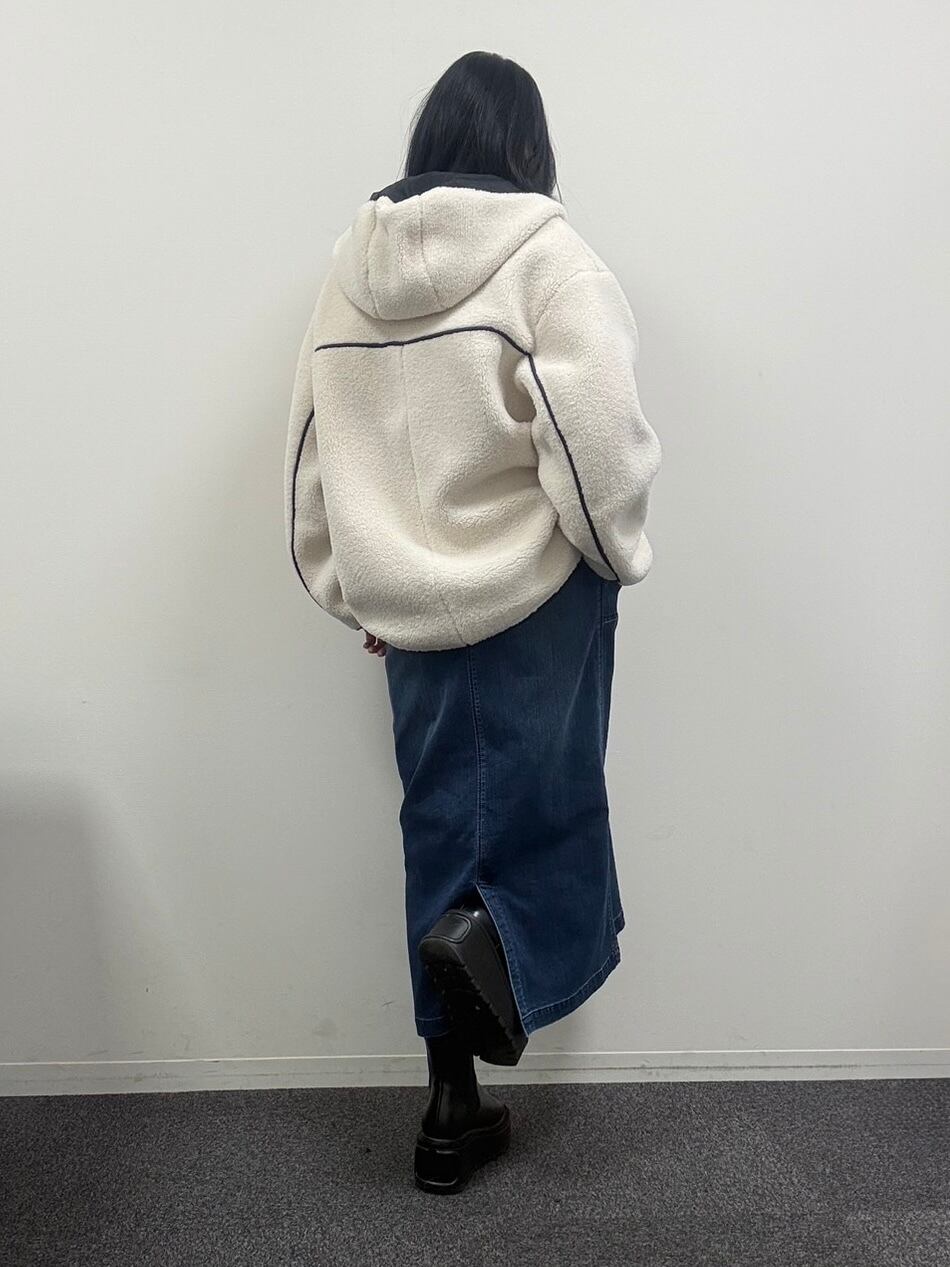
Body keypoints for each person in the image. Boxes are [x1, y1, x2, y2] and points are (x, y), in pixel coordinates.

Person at [283, 50, 662, 1194]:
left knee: (442, 828)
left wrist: (359, 588)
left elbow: (310, 459)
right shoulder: (548, 259)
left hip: (404, 612)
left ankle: (449, 1104)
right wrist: (610, 557)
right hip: (535, 593)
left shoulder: (347, 275)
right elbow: (598, 442)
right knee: (549, 816)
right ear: (526, 146)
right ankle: (496, 964)